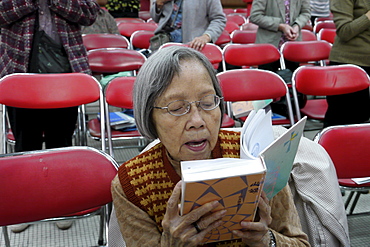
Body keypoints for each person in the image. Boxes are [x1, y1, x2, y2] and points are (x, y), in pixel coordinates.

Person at [111, 46, 311, 246]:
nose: (197, 121)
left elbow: (300, 243)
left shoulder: (255, 158)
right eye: (177, 108)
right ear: (149, 117)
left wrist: (266, 240)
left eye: (207, 103)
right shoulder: (133, 183)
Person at [0, 0, 100, 233]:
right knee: (26, 144)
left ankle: (62, 204)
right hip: (19, 72)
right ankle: (25, 205)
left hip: (65, 77)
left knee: (61, 143)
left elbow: (89, 14)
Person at [324, 0, 370, 127]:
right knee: (344, 120)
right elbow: (344, 31)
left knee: (363, 122)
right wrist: (368, 16)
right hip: (349, 64)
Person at [249, 0, 311, 72]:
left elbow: (306, 12)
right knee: (267, 80)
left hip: (293, 44)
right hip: (268, 45)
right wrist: (280, 26)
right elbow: (255, 16)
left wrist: (297, 25)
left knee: (291, 79)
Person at [149, 0, 226, 51]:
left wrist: (206, 36)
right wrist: (159, 4)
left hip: (192, 46)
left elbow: (219, 19)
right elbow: (155, 18)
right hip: (162, 44)